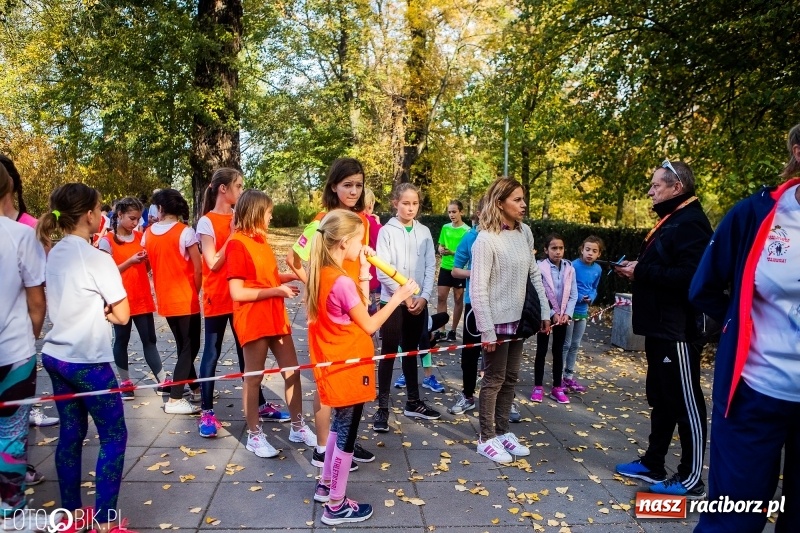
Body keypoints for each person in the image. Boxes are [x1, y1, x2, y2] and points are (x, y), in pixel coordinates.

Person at [689, 124, 800, 531]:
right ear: (797, 152)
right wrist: (739, 326)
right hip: (756, 393)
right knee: (734, 518)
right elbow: (704, 288)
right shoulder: (754, 215)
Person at [306, 209, 419, 525]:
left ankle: (326, 485)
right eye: (360, 241)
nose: (363, 246)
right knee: (347, 433)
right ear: (344, 242)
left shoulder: (324, 273)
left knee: (339, 427)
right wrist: (398, 297)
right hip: (349, 366)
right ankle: (337, 505)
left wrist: (367, 267)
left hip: (335, 363)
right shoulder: (339, 280)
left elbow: (354, 308)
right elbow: (369, 323)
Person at [36, 183, 136, 532]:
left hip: (55, 356)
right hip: (86, 361)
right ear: (90, 215)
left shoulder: (55, 252)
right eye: (100, 209)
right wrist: (108, 311)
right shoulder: (97, 258)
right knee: (114, 436)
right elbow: (123, 315)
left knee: (71, 434)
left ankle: (70, 516)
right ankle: (106, 521)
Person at [614, 159, 712, 498]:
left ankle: (691, 477)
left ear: (676, 187)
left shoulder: (691, 223)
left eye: (656, 185)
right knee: (662, 399)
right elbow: (661, 267)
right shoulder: (673, 220)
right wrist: (635, 269)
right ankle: (654, 461)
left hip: (678, 331)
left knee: (685, 402)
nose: (651, 191)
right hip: (658, 329)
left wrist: (641, 272)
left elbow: (691, 278)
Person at [287, 158, 375, 467]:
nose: (353, 190)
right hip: (331, 315)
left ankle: (344, 442)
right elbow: (292, 258)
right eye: (347, 184)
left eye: (358, 185)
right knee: (328, 381)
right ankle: (323, 448)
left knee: (348, 383)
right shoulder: (324, 221)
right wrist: (314, 286)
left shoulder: (358, 220)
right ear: (333, 186)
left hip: (353, 309)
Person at [227, 189, 315, 458]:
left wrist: (288, 277)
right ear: (255, 213)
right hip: (254, 319)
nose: (272, 216)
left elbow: (267, 275)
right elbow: (238, 292)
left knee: (292, 371)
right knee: (253, 378)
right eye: (268, 212)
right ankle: (255, 434)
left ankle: (297, 426)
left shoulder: (261, 241)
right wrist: (276, 291)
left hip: (275, 316)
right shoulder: (237, 244)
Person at [196, 168, 283, 437]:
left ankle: (258, 404)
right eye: (239, 186)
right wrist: (233, 234)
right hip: (218, 296)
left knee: (248, 354)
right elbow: (212, 263)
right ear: (223, 189)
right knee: (212, 352)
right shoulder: (206, 222)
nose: (242, 191)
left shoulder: (239, 216)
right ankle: (207, 411)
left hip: (243, 299)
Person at [470, 178, 550, 463]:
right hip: (496, 323)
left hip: (520, 320)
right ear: (500, 202)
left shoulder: (524, 232)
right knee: (494, 378)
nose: (523, 204)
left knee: (512, 377)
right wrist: (487, 329)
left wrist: (544, 311)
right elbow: (477, 288)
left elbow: (534, 275)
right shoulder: (485, 239)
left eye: (523, 198)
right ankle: (486, 437)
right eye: (517, 199)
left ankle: (503, 431)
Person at [373, 182, 439, 432]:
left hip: (418, 303)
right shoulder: (386, 232)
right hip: (392, 303)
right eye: (405, 203)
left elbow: (431, 265)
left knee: (412, 350)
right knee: (389, 352)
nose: (410, 208)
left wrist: (424, 297)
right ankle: (382, 409)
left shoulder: (424, 232)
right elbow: (383, 268)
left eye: (414, 203)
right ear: (395, 203)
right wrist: (403, 296)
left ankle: (414, 401)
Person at [0, 154, 59, 430]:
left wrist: (28, 338)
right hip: (14, 343)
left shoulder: (28, 227)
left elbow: (43, 278)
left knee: (12, 431)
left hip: (16, 340)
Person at [0, 164, 46, 519]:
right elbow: (36, 301)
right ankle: (11, 511)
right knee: (12, 435)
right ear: (9, 189)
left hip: (15, 350)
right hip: (14, 352)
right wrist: (30, 338)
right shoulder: (20, 236)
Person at [142, 189, 203, 415]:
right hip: (185, 297)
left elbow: (147, 263)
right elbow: (198, 268)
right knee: (191, 346)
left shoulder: (147, 234)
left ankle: (195, 387)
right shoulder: (185, 232)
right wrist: (194, 292)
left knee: (183, 345)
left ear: (160, 209)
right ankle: (176, 398)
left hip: (165, 298)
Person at [99, 198, 166, 400]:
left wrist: (145, 262)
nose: (135, 222)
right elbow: (105, 273)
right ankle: (125, 382)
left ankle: (162, 380)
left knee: (149, 340)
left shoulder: (140, 236)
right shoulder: (107, 241)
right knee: (122, 339)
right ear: (119, 215)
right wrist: (130, 261)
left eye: (137, 218)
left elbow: (144, 268)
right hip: (120, 298)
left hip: (142, 295)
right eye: (131, 218)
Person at [531, 234, 578, 404]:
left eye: (561, 248)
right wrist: (551, 313)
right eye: (553, 248)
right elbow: (539, 294)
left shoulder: (569, 269)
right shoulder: (539, 268)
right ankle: (537, 386)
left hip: (563, 319)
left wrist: (567, 314)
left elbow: (573, 295)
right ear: (546, 250)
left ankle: (557, 387)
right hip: (545, 317)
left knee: (558, 351)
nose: (558, 252)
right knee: (541, 351)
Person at [561, 236, 603, 394]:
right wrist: (578, 297)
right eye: (587, 250)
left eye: (594, 251)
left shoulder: (598, 269)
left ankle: (569, 376)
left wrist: (591, 297)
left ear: (599, 254)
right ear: (581, 250)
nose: (590, 253)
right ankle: (558, 377)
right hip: (570, 311)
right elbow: (566, 287)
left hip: (583, 312)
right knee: (566, 344)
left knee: (575, 345)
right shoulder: (573, 266)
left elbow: (594, 288)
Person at [433, 200, 469, 343]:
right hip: (445, 267)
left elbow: (466, 252)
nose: (451, 215)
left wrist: (452, 252)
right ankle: (441, 330)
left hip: (459, 269)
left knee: (458, 299)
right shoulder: (445, 227)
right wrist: (440, 249)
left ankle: (453, 330)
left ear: (461, 212)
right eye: (449, 212)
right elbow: (440, 244)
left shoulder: (467, 231)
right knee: (441, 297)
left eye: (454, 212)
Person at [363, 187, 382, 315]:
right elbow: (381, 243)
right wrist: (379, 224)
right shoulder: (371, 222)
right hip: (373, 274)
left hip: (355, 276)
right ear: (370, 204)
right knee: (375, 312)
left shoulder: (352, 220)